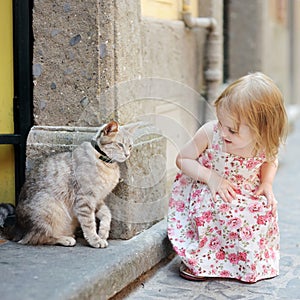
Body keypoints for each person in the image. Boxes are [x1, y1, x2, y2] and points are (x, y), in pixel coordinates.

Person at [167, 72, 288, 283]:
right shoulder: (210, 133)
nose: (223, 132)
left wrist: (267, 183)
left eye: (232, 130)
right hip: (211, 185)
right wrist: (211, 177)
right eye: (221, 123)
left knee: (262, 210)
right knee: (215, 207)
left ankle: (245, 261)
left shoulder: (264, 142)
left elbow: (271, 160)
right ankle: (202, 260)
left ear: (262, 130)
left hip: (246, 190)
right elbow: (183, 159)